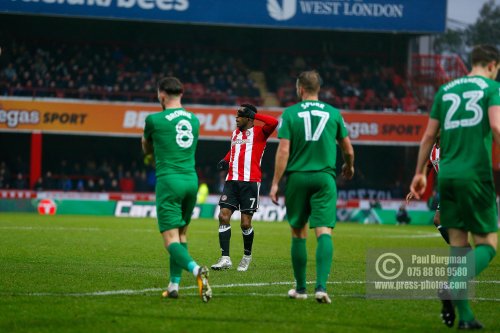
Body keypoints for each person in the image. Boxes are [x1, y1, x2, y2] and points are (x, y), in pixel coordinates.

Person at [410, 44, 500, 329]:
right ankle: (451, 285)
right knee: (488, 245)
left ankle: (467, 318)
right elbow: (497, 127)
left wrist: (418, 173)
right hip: (475, 174)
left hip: (447, 176)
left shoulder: (445, 91)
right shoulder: (490, 88)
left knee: (459, 245)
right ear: (492, 64)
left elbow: (428, 136)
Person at [270, 70, 355, 303]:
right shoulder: (334, 113)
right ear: (319, 89)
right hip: (324, 178)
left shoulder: (289, 114)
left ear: (300, 89)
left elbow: (283, 150)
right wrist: (349, 166)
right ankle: (321, 288)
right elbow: (348, 149)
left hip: (297, 178)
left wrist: (276, 182)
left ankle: (300, 289)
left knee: (298, 232)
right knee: (324, 231)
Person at [142, 76, 211, 302]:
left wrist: (151, 153)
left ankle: (195, 269)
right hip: (191, 180)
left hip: (169, 181)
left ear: (161, 95)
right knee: (182, 234)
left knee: (170, 239)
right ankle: (173, 285)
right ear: (181, 94)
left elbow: (146, 147)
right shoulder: (194, 120)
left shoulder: (154, 120)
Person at [211, 104, 278, 272]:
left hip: (250, 182)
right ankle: (225, 258)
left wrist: (256, 115)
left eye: (240, 115)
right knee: (223, 215)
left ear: (249, 118)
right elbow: (234, 150)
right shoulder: (235, 134)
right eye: (236, 115)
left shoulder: (260, 133)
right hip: (231, 180)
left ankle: (246, 256)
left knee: (245, 224)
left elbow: (274, 122)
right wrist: (225, 159)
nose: (236, 118)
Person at [406, 134, 450, 243]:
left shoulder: (450, 146)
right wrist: (415, 188)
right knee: (437, 220)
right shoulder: (432, 151)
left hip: (457, 186)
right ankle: (458, 246)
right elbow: (427, 170)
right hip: (446, 190)